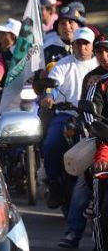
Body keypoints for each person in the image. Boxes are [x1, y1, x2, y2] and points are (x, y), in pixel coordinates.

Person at [39, 27, 96, 245]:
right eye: (79, 43)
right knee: (52, 143)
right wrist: (48, 96)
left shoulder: (98, 71)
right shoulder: (64, 65)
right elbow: (51, 87)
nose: (82, 47)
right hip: (67, 114)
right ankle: (54, 182)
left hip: (95, 123)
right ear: (73, 45)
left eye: (86, 44)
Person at [80, 35, 108, 250]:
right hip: (105, 146)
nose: (104, 56)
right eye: (100, 51)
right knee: (101, 209)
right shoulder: (98, 83)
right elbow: (91, 117)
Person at [0, 18, 20, 126]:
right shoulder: (1, 58)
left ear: (13, 36)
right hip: (7, 104)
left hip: (30, 103)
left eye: (3, 34)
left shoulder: (32, 56)